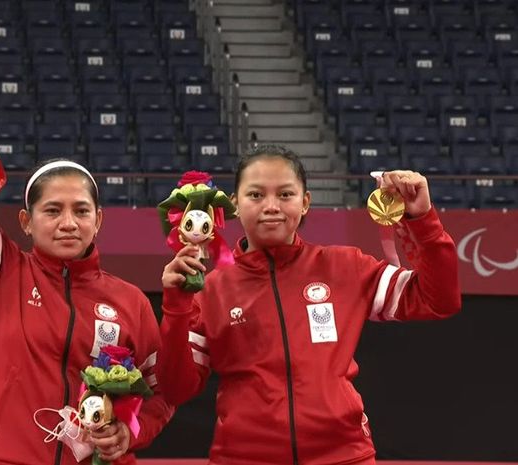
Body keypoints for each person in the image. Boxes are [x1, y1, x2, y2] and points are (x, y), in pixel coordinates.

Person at [0, 13, 172, 465]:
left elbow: (161, 394)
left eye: (81, 211)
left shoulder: (131, 302)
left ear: (99, 221)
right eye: (52, 211)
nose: (68, 222)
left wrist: (130, 433)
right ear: (26, 221)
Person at [157, 144, 462, 465]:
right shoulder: (212, 291)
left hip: (344, 456)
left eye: (286, 195)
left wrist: (422, 220)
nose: (271, 206)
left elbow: (437, 299)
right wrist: (177, 307)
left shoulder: (345, 267)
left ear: (305, 203)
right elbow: (177, 389)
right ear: (234, 204)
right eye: (256, 195)